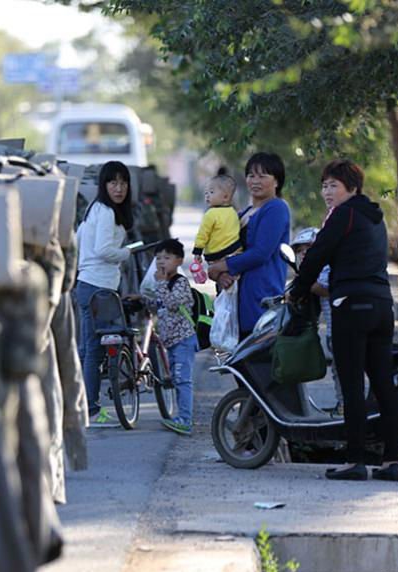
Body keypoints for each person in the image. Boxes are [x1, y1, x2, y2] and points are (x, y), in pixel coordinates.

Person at [290, 159, 398, 482]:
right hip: (382, 306)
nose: (327, 192)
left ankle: (354, 460)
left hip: (351, 306)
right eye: (324, 185)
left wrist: (298, 289)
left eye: (333, 185)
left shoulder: (344, 214)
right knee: (383, 384)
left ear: (352, 188)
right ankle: (391, 461)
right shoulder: (375, 218)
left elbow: (316, 255)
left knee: (352, 384)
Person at [74, 160, 134, 427]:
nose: (119, 188)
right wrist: (126, 252)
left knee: (90, 348)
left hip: (89, 284)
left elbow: (79, 242)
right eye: (113, 182)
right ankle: (91, 408)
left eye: (123, 182)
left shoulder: (94, 208)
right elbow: (103, 250)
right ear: (104, 184)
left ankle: (85, 404)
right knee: (95, 351)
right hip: (99, 287)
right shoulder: (106, 211)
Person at [208, 152, 291, 339]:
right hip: (238, 299)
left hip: (262, 297)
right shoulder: (244, 212)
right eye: (251, 175)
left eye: (263, 176)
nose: (255, 181)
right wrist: (220, 275)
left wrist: (222, 266)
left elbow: (261, 253)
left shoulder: (276, 208)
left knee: (259, 362)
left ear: (277, 181)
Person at [128, 239, 197, 435]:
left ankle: (185, 420)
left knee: (183, 380)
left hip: (183, 340)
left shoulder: (180, 283)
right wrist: (141, 298)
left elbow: (172, 303)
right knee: (176, 379)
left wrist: (159, 284)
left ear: (179, 261)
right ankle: (181, 417)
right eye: (158, 258)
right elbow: (159, 304)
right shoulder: (165, 284)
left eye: (167, 258)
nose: (161, 262)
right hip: (173, 342)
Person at [292, 227, 343, 415]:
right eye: (300, 249)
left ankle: (346, 407)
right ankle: (343, 405)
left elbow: (324, 288)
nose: (304, 253)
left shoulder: (326, 267)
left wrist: (304, 283)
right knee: (338, 371)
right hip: (333, 329)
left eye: (309, 248)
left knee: (343, 372)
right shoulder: (315, 269)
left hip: (341, 328)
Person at [192, 172, 241, 266]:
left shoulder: (210, 214)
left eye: (211, 192)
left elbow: (203, 234)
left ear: (225, 197)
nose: (207, 195)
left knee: (218, 276)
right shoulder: (233, 212)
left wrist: (197, 251)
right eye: (206, 192)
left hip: (216, 254)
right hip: (235, 250)